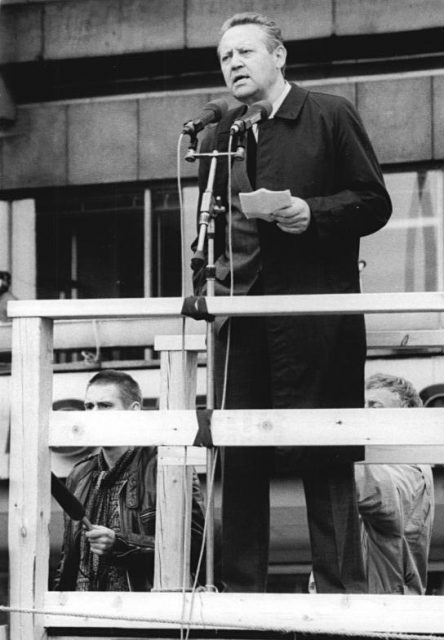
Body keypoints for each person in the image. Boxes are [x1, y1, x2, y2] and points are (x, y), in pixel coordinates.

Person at [192, 12, 392, 593]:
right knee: (241, 459)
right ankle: (242, 599)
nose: (233, 64)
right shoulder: (218, 133)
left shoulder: (328, 114)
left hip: (314, 316)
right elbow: (211, 229)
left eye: (245, 52)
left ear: (279, 56)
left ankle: (339, 596)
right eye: (225, 56)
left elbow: (374, 202)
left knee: (324, 453)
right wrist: (209, 281)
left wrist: (314, 212)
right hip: (242, 317)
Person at [53, 370, 205, 591]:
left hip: (146, 616)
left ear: (133, 412)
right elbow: (69, 560)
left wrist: (121, 544)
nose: (94, 414)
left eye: (105, 406)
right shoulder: (81, 473)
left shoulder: (164, 465)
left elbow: (194, 549)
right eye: (89, 407)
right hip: (85, 615)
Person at [356, 373, 435, 594]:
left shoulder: (411, 466)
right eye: (362, 406)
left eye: (374, 406)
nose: (364, 413)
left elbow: (380, 495)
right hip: (359, 605)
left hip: (379, 608)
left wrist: (334, 445)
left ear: (405, 418)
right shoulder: (378, 460)